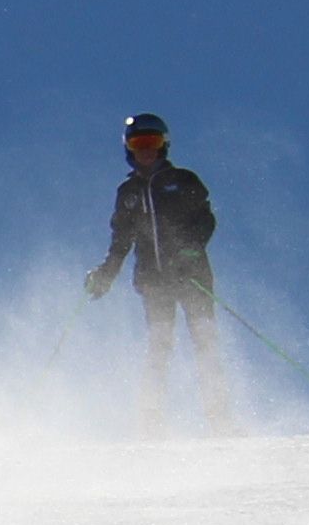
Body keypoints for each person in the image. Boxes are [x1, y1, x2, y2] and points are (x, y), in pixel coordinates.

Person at [87, 111, 230, 432]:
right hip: (154, 280)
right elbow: (121, 240)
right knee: (159, 344)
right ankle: (151, 422)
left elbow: (205, 219)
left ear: (163, 145)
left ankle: (219, 418)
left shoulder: (183, 180)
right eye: (139, 144)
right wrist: (106, 273)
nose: (146, 151)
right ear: (129, 148)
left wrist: (191, 247)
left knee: (205, 340)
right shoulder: (128, 193)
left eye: (151, 142)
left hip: (191, 275)